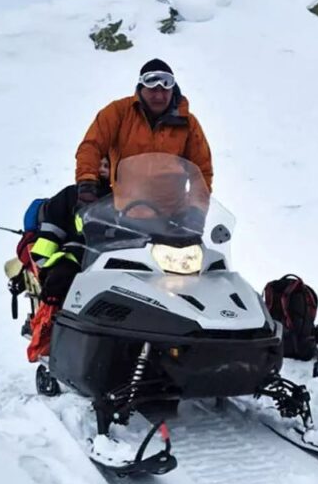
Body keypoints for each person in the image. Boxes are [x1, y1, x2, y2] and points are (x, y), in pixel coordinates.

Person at [75, 58, 213, 202]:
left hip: (172, 216)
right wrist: (87, 183)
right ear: (141, 88)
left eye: (165, 89)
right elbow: (91, 146)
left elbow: (202, 170)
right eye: (153, 89)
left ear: (173, 90)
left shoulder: (188, 123)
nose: (159, 96)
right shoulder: (118, 112)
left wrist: (195, 211)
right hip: (125, 211)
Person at [26, 158, 111, 362]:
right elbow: (51, 232)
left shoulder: (126, 196)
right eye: (98, 164)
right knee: (60, 281)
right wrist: (44, 264)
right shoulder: (70, 195)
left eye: (107, 165)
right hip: (75, 255)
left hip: (117, 257)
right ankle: (49, 334)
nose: (101, 170)